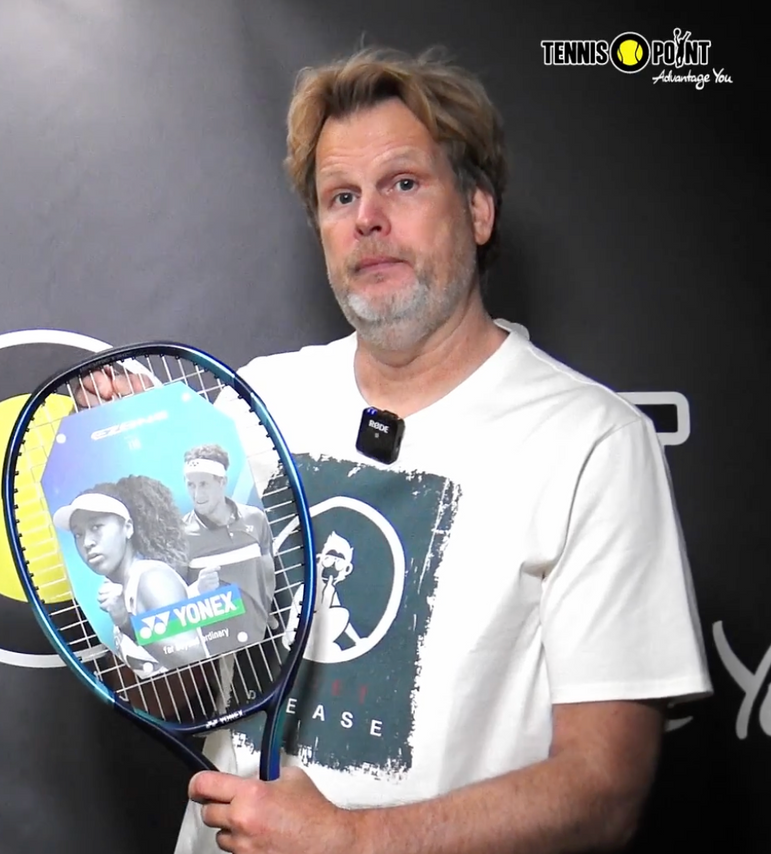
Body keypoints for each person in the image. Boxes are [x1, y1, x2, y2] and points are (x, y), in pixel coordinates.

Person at [83, 46, 711, 854]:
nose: (368, 219)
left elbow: (604, 790)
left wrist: (348, 840)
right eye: (340, 196)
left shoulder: (593, 443)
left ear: (478, 210)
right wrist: (134, 498)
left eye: (403, 184)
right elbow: (171, 688)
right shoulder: (253, 405)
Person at [53, 476, 206, 677]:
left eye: (96, 527)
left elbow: (197, 659)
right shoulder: (124, 588)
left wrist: (127, 623)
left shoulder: (152, 579)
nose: (87, 542)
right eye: (78, 535)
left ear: (128, 527)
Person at [179, 443, 280, 656]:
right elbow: (172, 601)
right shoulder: (179, 535)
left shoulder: (255, 518)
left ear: (222, 482)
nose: (197, 494)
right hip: (213, 650)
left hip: (264, 633)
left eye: (204, 484)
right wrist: (198, 590)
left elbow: (267, 567)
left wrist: (265, 607)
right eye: (190, 485)